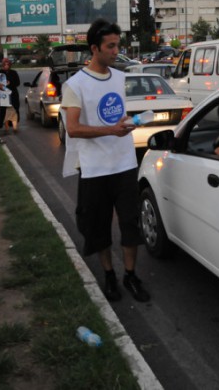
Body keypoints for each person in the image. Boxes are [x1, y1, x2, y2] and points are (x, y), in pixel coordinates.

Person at [61, 18, 150, 303]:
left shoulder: (119, 77)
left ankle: (130, 274)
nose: (116, 51)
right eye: (110, 46)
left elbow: (114, 116)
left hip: (124, 165)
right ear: (94, 49)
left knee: (130, 226)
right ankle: (109, 275)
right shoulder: (75, 85)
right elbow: (73, 128)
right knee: (98, 228)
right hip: (95, 169)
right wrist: (110, 129)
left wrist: (127, 122)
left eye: (117, 45)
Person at [0, 58, 20, 129]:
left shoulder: (14, 72)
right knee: (3, 110)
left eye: (8, 64)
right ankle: (2, 124)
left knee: (15, 109)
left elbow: (18, 83)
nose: (6, 66)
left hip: (13, 93)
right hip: (3, 94)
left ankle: (14, 123)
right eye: (5, 64)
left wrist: (10, 83)